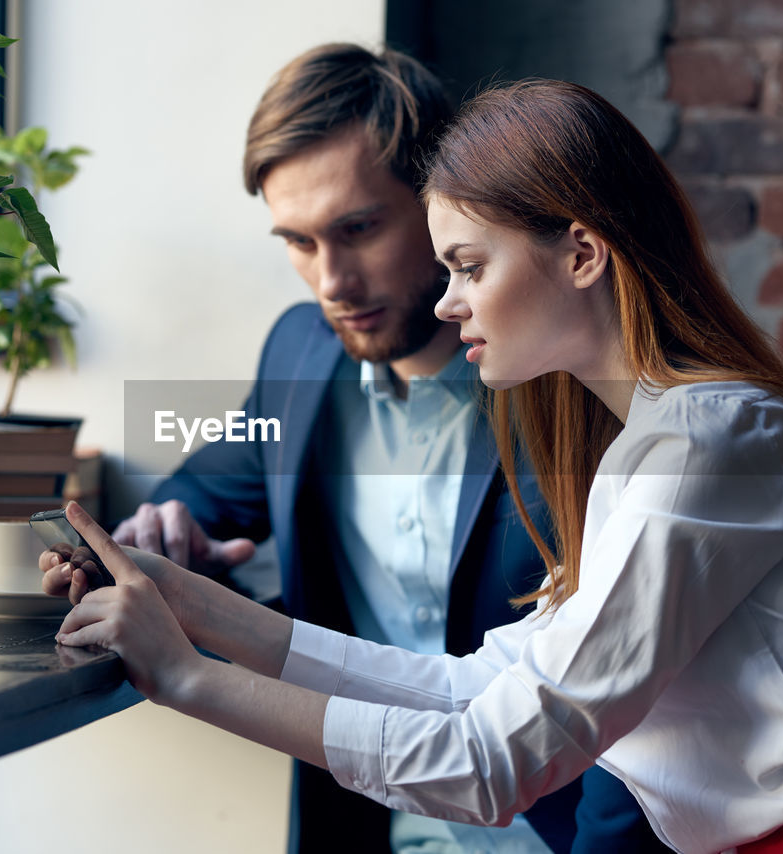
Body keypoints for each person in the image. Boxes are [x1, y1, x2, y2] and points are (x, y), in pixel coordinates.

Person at [47, 76, 783, 853]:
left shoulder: (705, 444)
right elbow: (476, 688)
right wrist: (193, 601)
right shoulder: (657, 441)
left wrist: (188, 676)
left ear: (583, 254)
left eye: (470, 267)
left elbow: (498, 762)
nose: (448, 304)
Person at [51, 44, 659, 853]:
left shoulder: (586, 387)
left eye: (358, 228)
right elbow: (210, 491)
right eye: (298, 242)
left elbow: (640, 712)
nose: (330, 279)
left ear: (446, 207)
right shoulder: (299, 358)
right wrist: (163, 545)